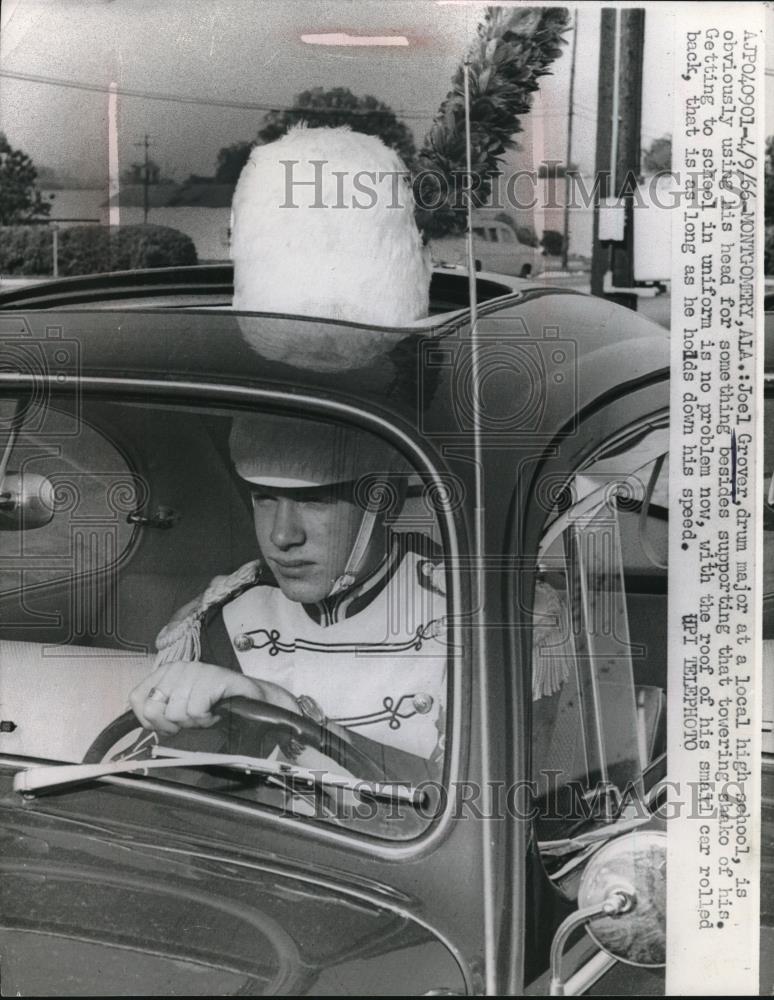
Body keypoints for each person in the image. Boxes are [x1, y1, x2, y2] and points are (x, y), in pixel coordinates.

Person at [129, 412, 448, 776]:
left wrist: (282, 709)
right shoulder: (233, 613)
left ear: (386, 501)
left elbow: (474, 811)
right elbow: (180, 783)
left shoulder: (472, 618)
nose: (282, 536)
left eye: (315, 500)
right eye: (264, 498)